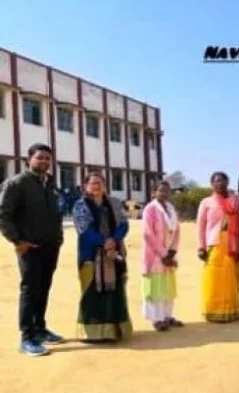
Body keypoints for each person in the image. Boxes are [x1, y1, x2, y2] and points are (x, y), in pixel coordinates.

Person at [0, 143, 64, 356]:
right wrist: (17, 241)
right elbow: (3, 215)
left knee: (44, 287)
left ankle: (40, 328)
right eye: (40, 157)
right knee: (30, 289)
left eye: (47, 158)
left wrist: (58, 238)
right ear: (29, 160)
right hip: (29, 247)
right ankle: (27, 337)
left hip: (50, 246)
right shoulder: (17, 183)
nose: (44, 161)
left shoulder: (49, 183)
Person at [72, 172, 132, 343]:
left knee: (114, 292)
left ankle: (114, 331)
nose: (96, 186)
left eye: (99, 183)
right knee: (92, 293)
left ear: (105, 185)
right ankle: (93, 333)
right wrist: (104, 242)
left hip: (113, 254)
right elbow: (84, 229)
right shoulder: (80, 205)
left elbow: (123, 224)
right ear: (86, 186)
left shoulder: (114, 203)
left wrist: (114, 239)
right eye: (92, 183)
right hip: (91, 256)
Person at [197, 172, 239, 323]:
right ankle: (213, 311)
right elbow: (200, 227)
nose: (220, 184)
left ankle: (232, 311)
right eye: (217, 181)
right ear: (212, 184)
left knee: (231, 279)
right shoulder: (206, 202)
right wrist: (201, 247)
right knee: (213, 279)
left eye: (223, 181)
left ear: (227, 182)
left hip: (233, 245)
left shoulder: (236, 201)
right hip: (215, 244)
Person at [141, 181, 183, 331]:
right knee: (155, 287)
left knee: (167, 287)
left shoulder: (171, 209)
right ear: (154, 193)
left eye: (166, 191)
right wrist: (164, 254)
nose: (164, 193)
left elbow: (177, 231)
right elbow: (148, 234)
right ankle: (156, 319)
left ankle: (167, 316)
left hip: (169, 255)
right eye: (161, 191)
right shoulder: (150, 209)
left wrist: (172, 252)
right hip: (154, 255)